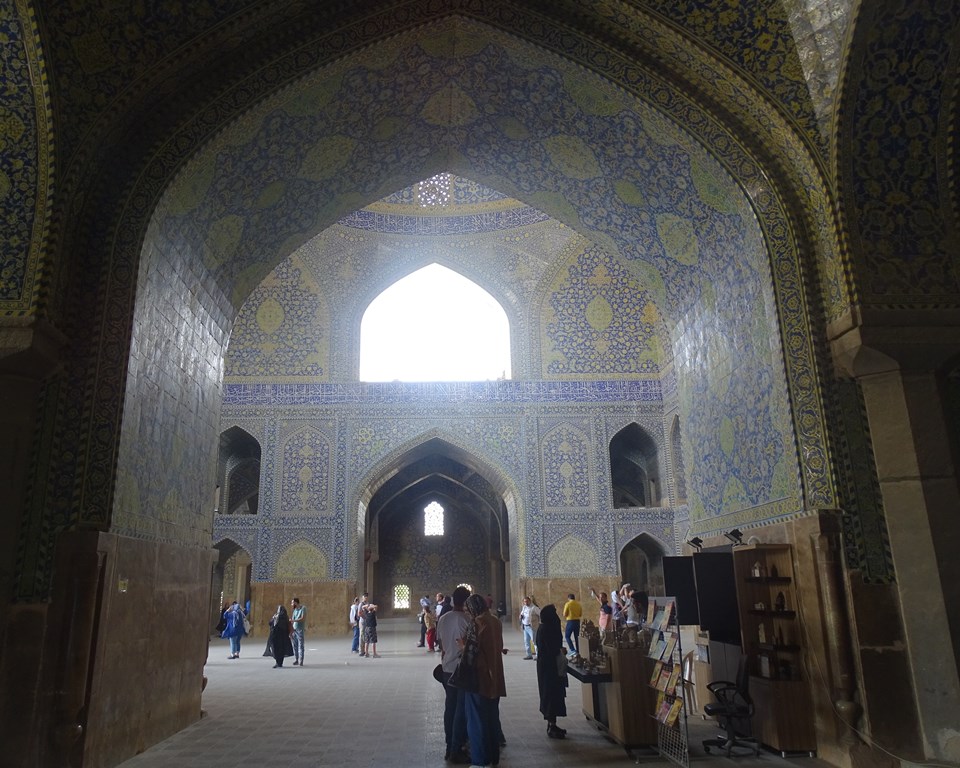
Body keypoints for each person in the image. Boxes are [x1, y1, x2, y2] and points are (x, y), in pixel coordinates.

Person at [461, 593, 506, 768]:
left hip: (479, 679)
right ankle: (493, 756)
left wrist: (461, 646)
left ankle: (479, 760)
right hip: (495, 676)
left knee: (476, 720)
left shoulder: (477, 623)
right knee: (492, 718)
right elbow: (498, 646)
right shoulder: (495, 621)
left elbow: (472, 650)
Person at [436, 585, 472, 763]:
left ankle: (450, 744)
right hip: (459, 670)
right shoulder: (465, 619)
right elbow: (462, 645)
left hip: (446, 668)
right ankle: (455, 748)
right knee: (460, 710)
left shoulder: (443, 618)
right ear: (466, 602)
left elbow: (442, 644)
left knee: (450, 708)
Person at [535, 604, 568, 738]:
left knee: (551, 694)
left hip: (547, 666)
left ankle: (551, 724)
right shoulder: (547, 629)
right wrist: (560, 650)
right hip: (550, 668)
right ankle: (552, 726)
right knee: (551, 694)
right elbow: (551, 649)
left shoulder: (543, 627)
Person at [519, 595, 541, 660]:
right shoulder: (524, 607)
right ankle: (529, 654)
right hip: (525, 626)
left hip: (532, 627)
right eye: (524, 602)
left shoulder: (534, 608)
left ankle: (538, 655)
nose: (526, 603)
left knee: (535, 641)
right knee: (526, 641)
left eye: (527, 601)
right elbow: (521, 614)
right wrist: (521, 616)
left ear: (530, 601)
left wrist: (539, 623)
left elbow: (540, 615)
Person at [562, 593, 583, 658]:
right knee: (576, 636)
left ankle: (572, 649)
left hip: (570, 621)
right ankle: (578, 650)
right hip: (577, 621)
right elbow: (580, 614)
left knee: (567, 636)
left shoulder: (568, 604)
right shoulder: (578, 604)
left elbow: (565, 614)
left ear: (568, 598)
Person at [290, 597, 306, 666]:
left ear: (296, 603)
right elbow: (292, 620)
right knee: (295, 646)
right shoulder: (294, 610)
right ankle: (296, 659)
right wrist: (290, 631)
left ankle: (301, 660)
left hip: (300, 629)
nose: (291, 604)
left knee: (300, 645)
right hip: (294, 630)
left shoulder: (303, 608)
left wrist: (294, 621)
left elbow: (302, 618)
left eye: (292, 603)